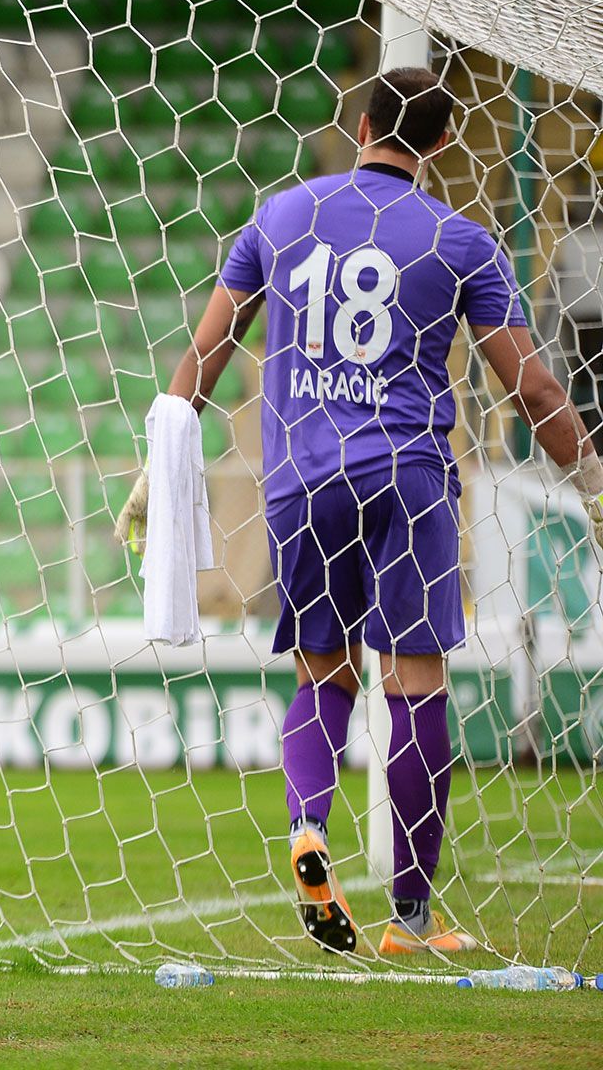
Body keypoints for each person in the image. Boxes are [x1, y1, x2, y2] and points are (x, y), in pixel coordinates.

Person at [113, 67, 603, 956]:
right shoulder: (461, 240)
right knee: (414, 684)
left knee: (323, 676)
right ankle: (410, 917)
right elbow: (530, 385)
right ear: (443, 143)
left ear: (364, 124)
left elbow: (206, 350)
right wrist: (593, 482)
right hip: (408, 480)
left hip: (302, 480)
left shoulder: (279, 216)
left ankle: (309, 828)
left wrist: (160, 463)